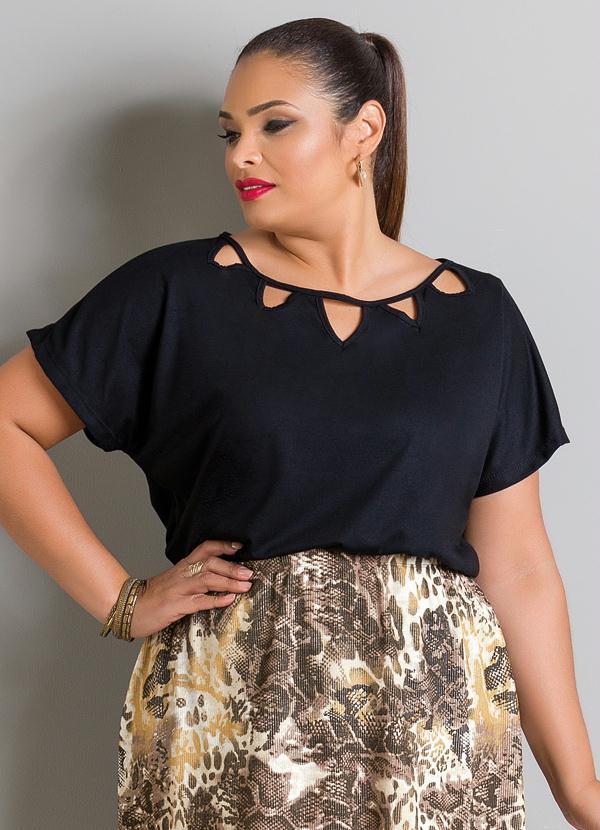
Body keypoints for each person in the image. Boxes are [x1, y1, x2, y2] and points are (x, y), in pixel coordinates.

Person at [0, 15, 597, 829]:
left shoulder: (481, 318)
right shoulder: (176, 293)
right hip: (236, 723)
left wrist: (580, 790)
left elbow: (520, 568)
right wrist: (120, 598)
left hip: (437, 738)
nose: (240, 155)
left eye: (274, 125)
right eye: (230, 133)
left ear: (364, 131)